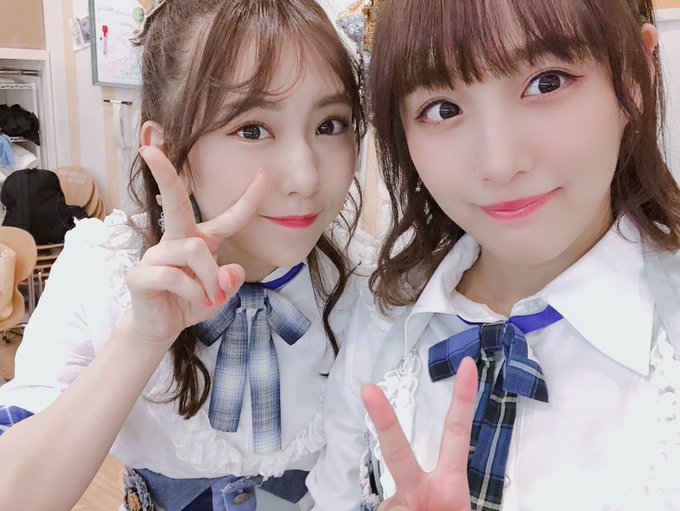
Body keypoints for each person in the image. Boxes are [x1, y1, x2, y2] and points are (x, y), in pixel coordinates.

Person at [307, 0, 680, 509]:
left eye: (547, 82)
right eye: (443, 109)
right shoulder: (386, 319)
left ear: (635, 75)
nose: (500, 163)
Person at [0, 0, 365, 509]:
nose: (305, 178)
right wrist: (141, 337)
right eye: (252, 129)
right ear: (170, 153)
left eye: (330, 124)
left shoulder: (367, 286)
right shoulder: (102, 268)